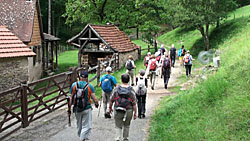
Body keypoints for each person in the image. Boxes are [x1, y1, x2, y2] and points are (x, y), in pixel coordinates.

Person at [69, 70, 99, 141]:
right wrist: (96, 104)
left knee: (79, 125)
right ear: (87, 77)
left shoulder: (74, 85)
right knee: (87, 126)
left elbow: (71, 97)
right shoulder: (89, 86)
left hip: (77, 108)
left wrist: (69, 108)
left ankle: (83, 137)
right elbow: (94, 98)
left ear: (80, 77)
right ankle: (82, 138)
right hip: (86, 108)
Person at [109, 73, 137, 141]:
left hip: (118, 109)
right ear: (129, 80)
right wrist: (135, 112)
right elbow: (134, 103)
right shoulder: (131, 90)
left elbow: (111, 99)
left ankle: (117, 138)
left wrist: (110, 108)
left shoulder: (116, 89)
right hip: (128, 110)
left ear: (121, 80)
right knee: (127, 125)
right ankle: (125, 138)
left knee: (118, 126)